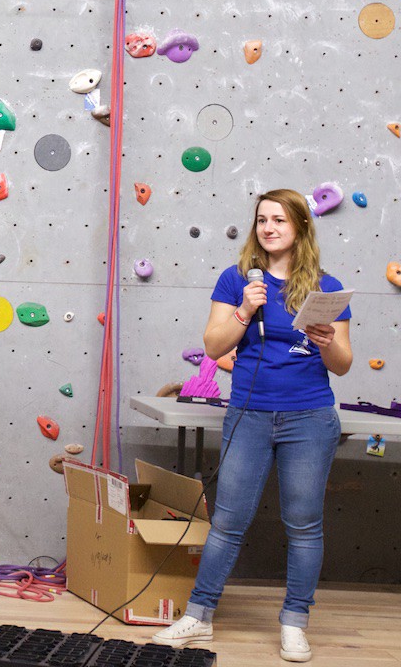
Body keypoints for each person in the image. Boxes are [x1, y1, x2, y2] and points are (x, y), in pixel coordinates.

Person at [153, 188, 352, 663]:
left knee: (303, 525)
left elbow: (342, 365)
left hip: (310, 417)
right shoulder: (236, 279)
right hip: (249, 414)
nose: (269, 227)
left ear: (301, 227)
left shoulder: (326, 286)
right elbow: (215, 345)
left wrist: (325, 341)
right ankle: (198, 618)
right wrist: (244, 308)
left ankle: (294, 623)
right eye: (262, 219)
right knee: (227, 521)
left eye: (280, 220)